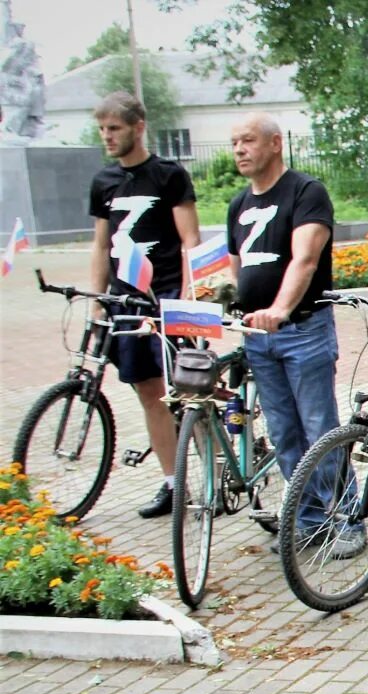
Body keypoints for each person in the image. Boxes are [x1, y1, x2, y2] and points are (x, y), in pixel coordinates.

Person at [225, 113, 355, 558]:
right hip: (258, 338)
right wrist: (235, 304)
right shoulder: (238, 203)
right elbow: (237, 264)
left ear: (275, 143)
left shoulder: (305, 192)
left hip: (302, 329)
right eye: (235, 143)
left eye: (248, 141)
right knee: (283, 432)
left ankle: (348, 517)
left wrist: (279, 309)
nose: (239, 149)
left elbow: (305, 259)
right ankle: (310, 521)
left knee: (319, 427)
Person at [86, 91, 198, 519]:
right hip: (127, 299)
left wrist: (190, 293)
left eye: (113, 128)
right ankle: (173, 483)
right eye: (102, 129)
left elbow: (189, 240)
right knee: (148, 391)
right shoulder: (103, 182)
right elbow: (101, 246)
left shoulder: (168, 176)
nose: (107, 136)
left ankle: (214, 471)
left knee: (189, 388)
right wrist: (98, 301)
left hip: (166, 293)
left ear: (138, 127)